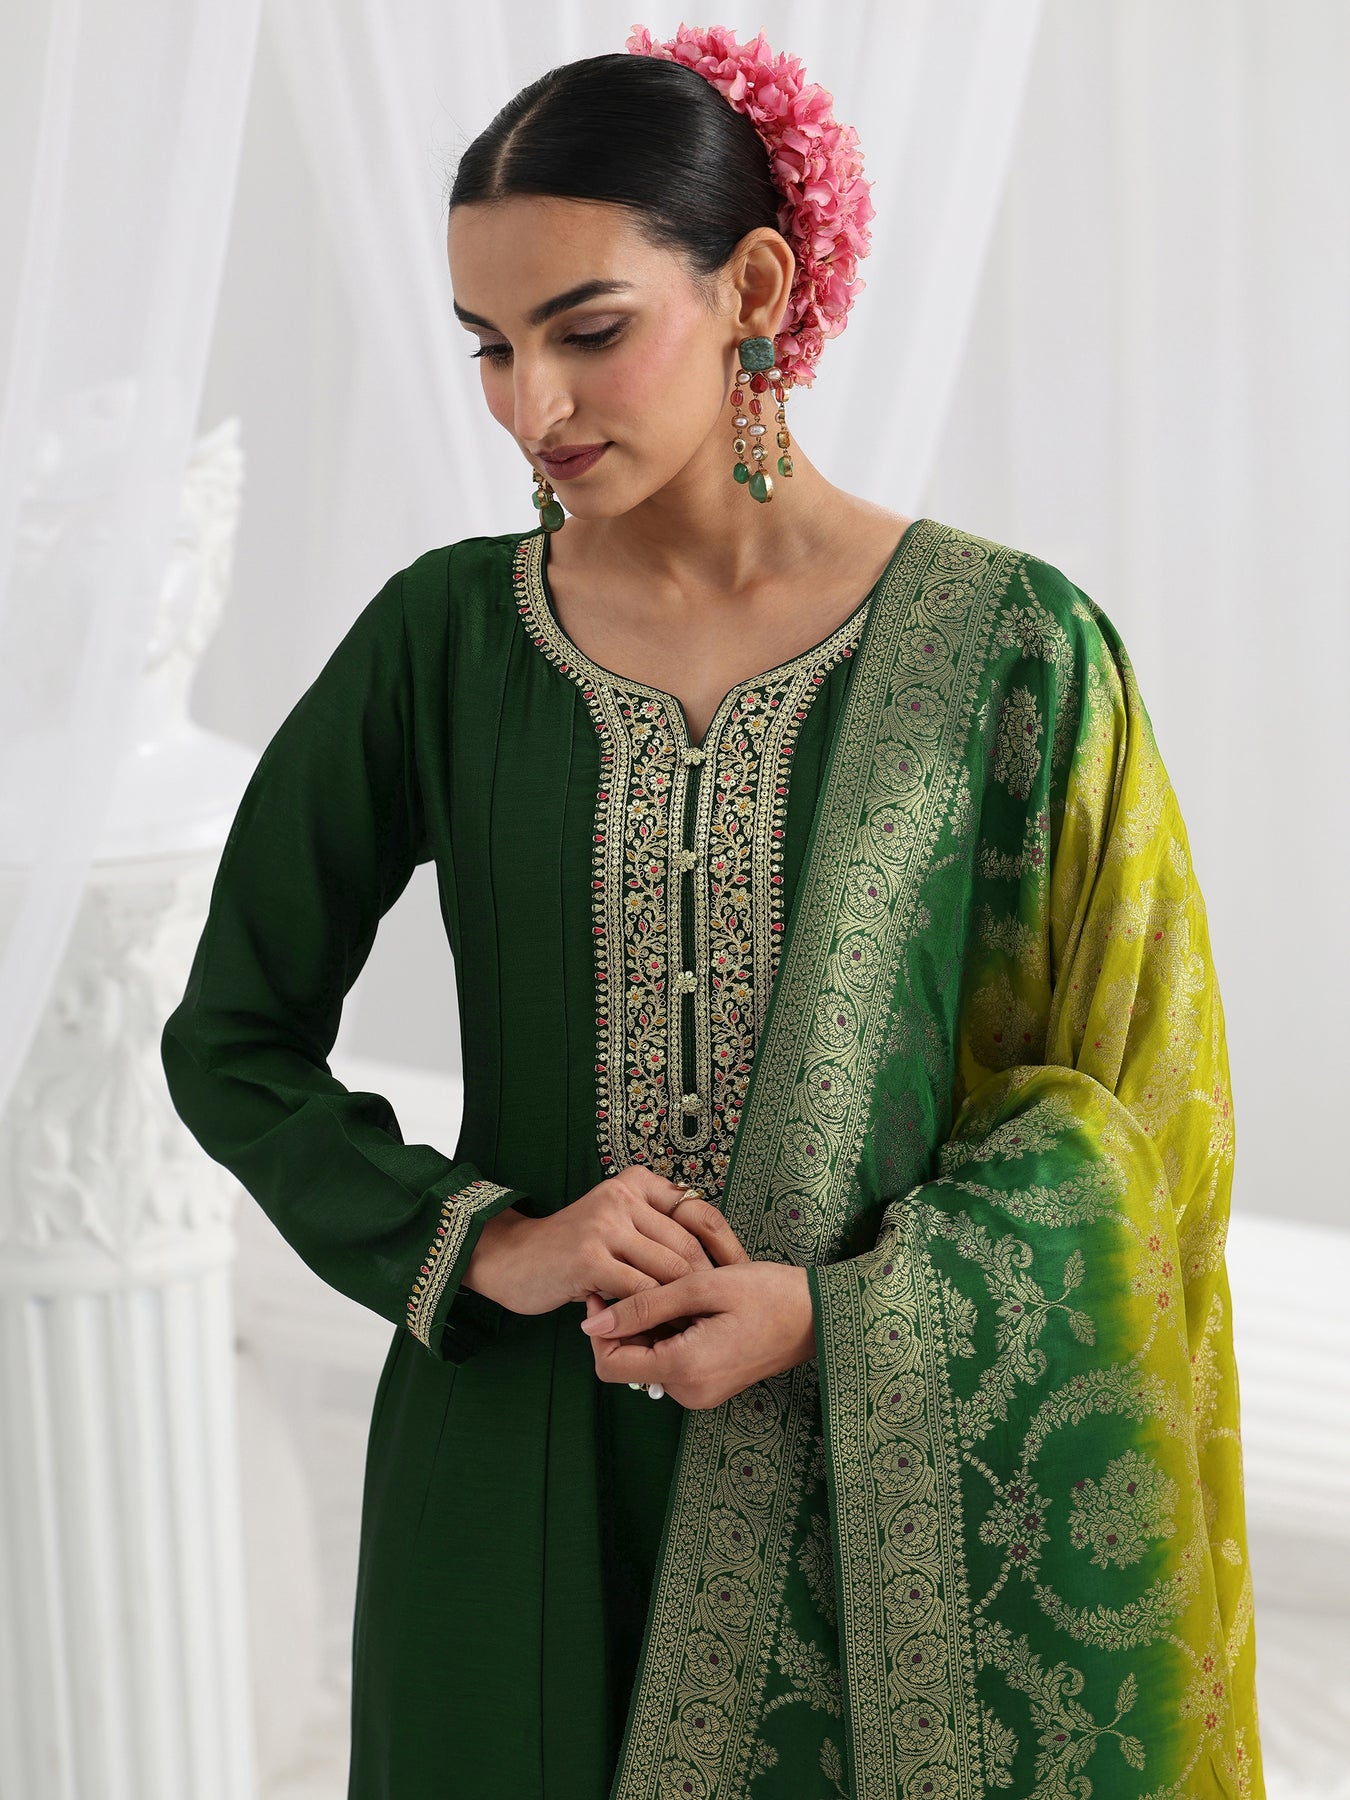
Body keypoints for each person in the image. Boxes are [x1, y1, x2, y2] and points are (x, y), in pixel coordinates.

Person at [160, 23, 1264, 1800]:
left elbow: (1125, 1125)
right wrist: (485, 1243)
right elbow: (231, 1035)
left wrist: (832, 1317)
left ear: (751, 286)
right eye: (490, 347)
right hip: (508, 1471)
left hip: (869, 1496)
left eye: (587, 330)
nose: (534, 406)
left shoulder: (1009, 650)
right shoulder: (445, 641)